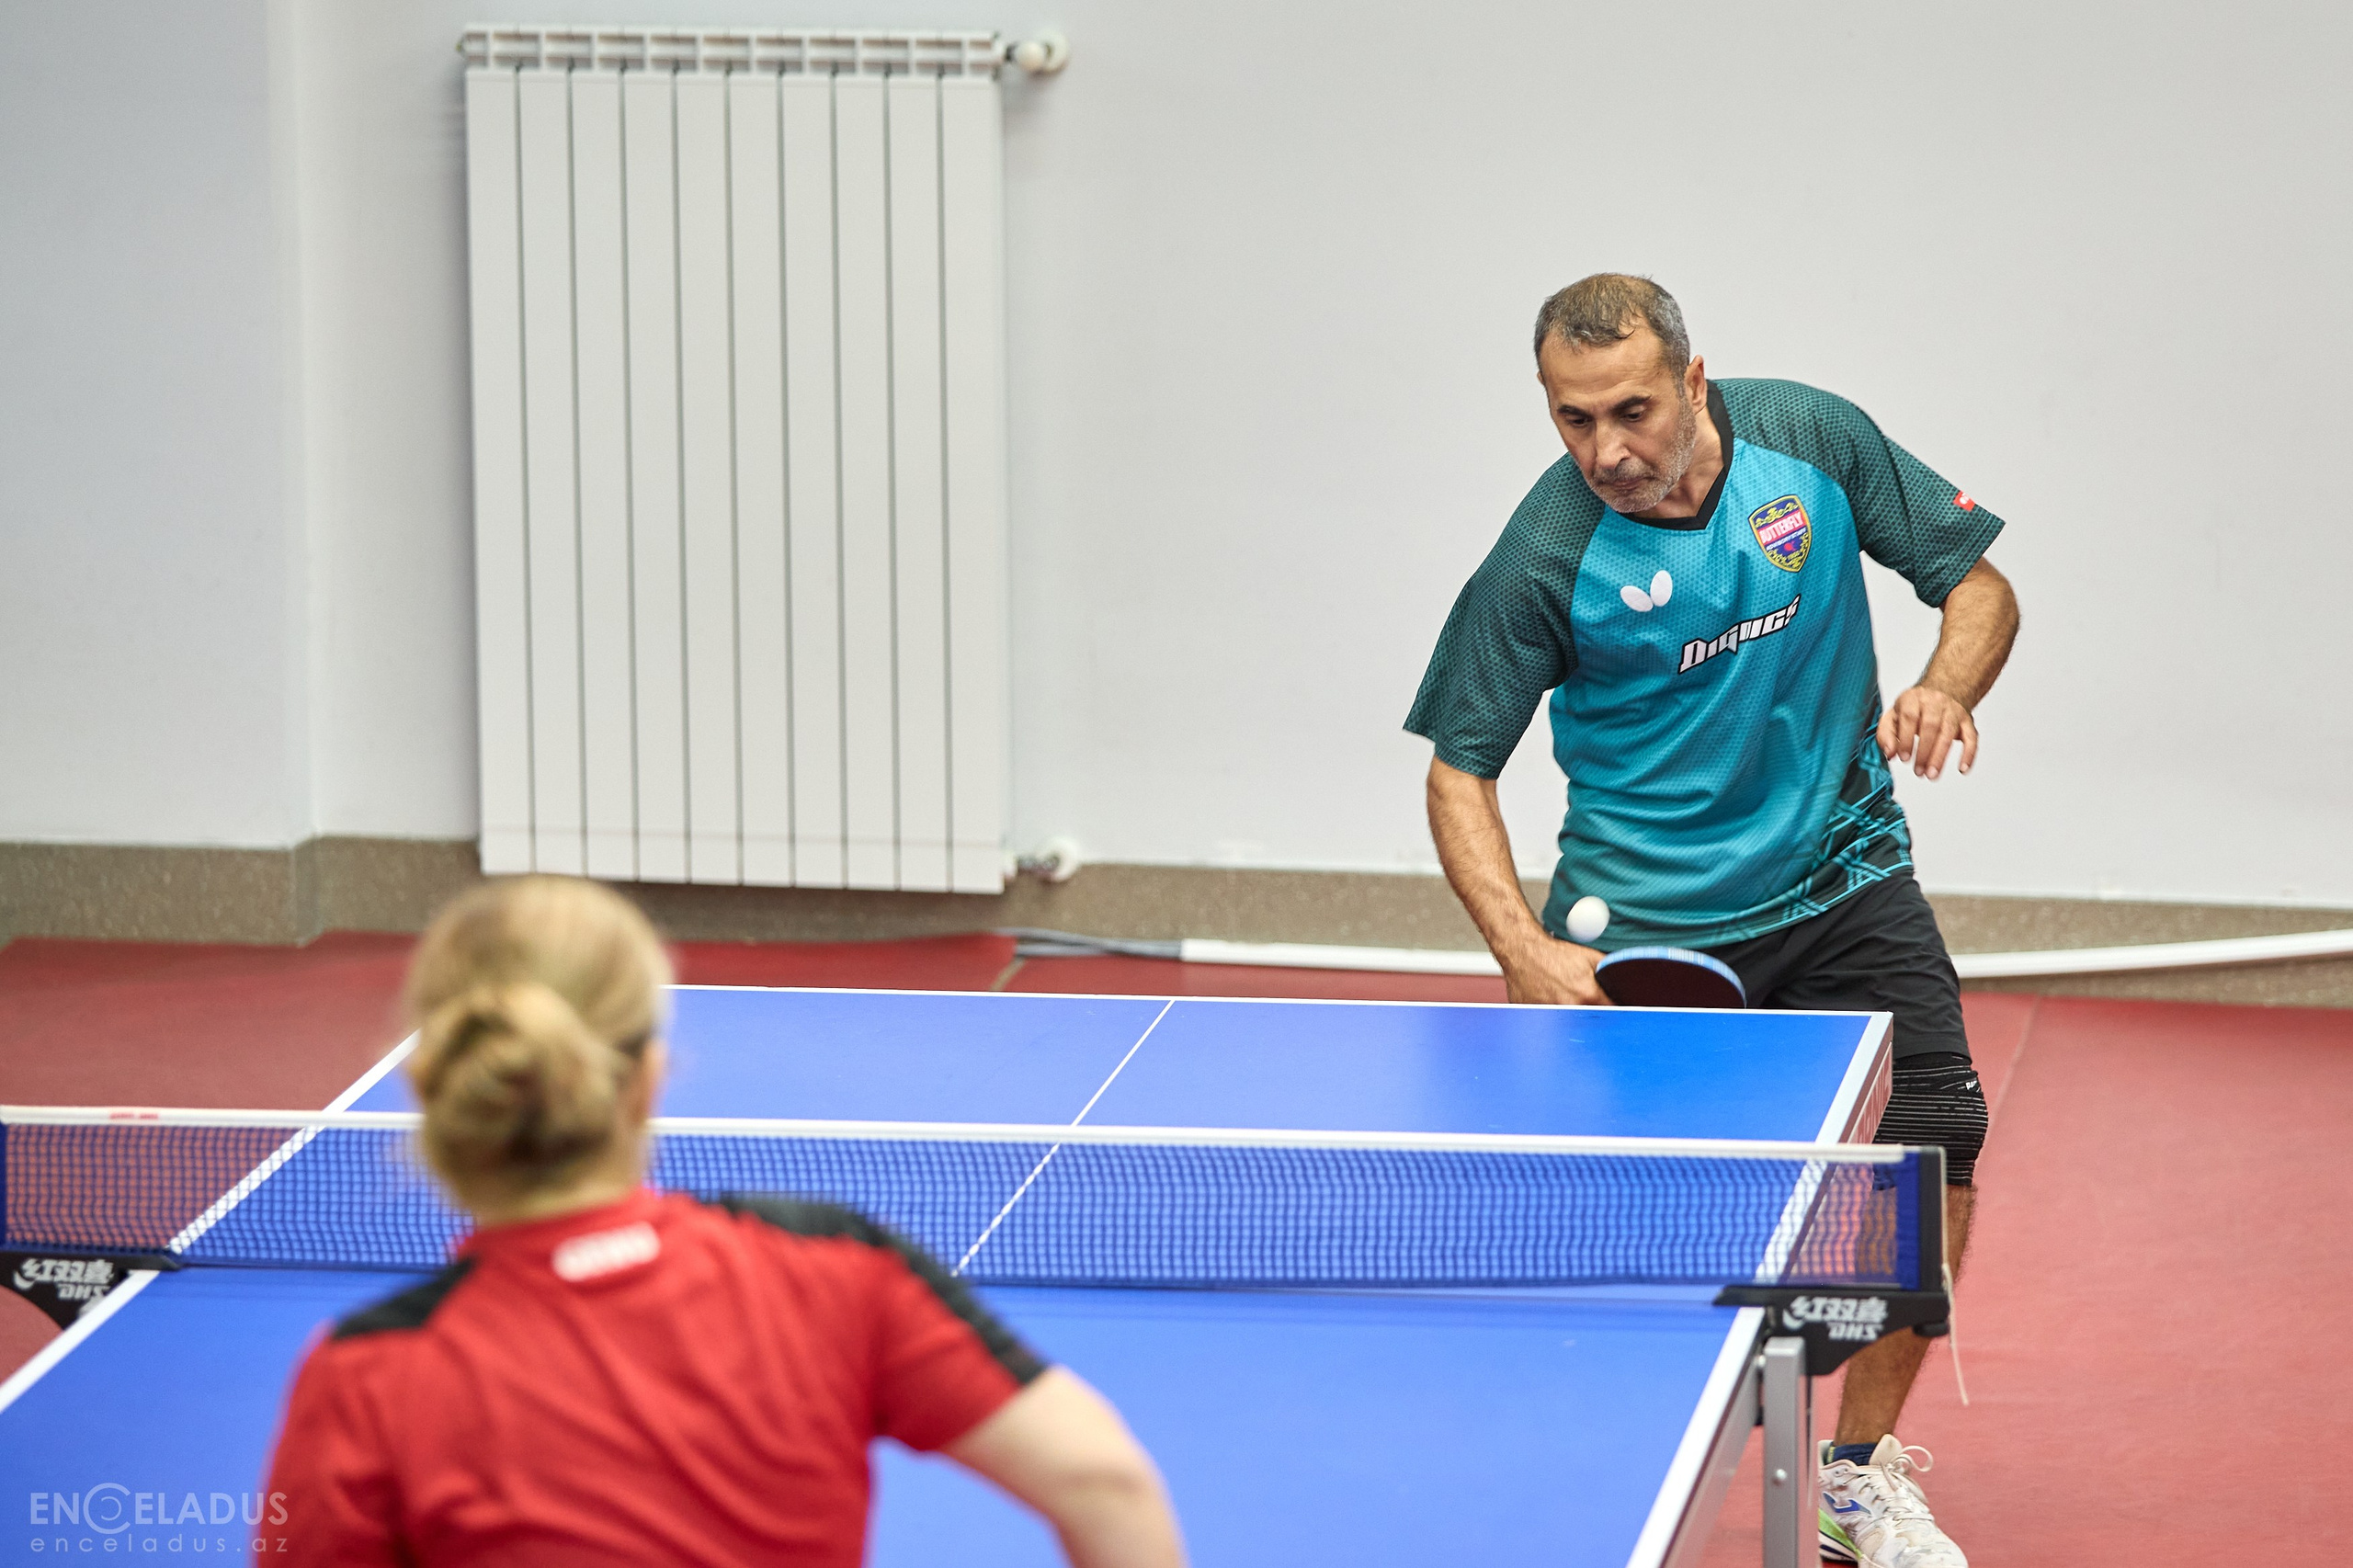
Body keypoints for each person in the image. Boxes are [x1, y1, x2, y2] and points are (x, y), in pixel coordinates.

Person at [1405, 275, 2018, 1568]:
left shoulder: (1814, 445)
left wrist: (1944, 688)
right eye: (1571, 420)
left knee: (1934, 1156)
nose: (1605, 450)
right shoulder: (1549, 550)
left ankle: (1853, 1477)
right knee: (1634, 1231)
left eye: (1629, 409)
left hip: (1846, 875)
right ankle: (1602, 1476)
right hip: (1649, 922)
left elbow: (1980, 587)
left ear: (1694, 380)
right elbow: (1459, 768)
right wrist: (1523, 945)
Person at [264, 875, 1186, 1568]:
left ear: (430, 1083)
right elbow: (1105, 1483)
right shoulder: (832, 1267)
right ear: (650, 1074)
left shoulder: (365, 1377)